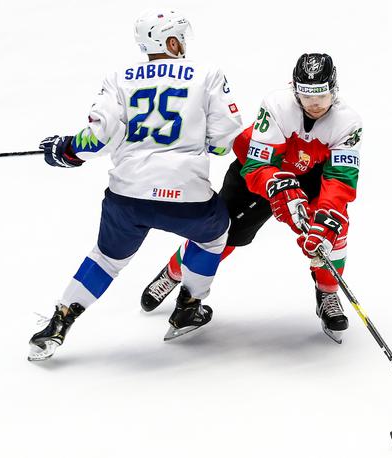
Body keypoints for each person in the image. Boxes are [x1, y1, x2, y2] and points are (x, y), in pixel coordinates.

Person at [28, 10, 243, 361]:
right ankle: (188, 306)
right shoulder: (207, 74)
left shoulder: (119, 77)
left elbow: (98, 138)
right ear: (171, 42)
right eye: (181, 38)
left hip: (128, 196)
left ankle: (59, 320)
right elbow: (223, 140)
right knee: (215, 235)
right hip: (187, 197)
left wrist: (68, 149)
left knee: (106, 260)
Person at [140, 53, 363, 343]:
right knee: (220, 232)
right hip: (263, 169)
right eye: (306, 96)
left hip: (310, 174)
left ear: (334, 89)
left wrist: (325, 220)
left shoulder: (348, 122)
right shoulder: (276, 106)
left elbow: (340, 179)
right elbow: (258, 165)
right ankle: (174, 272)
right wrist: (277, 187)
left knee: (333, 228)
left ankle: (328, 293)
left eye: (321, 95)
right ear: (294, 90)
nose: (315, 104)